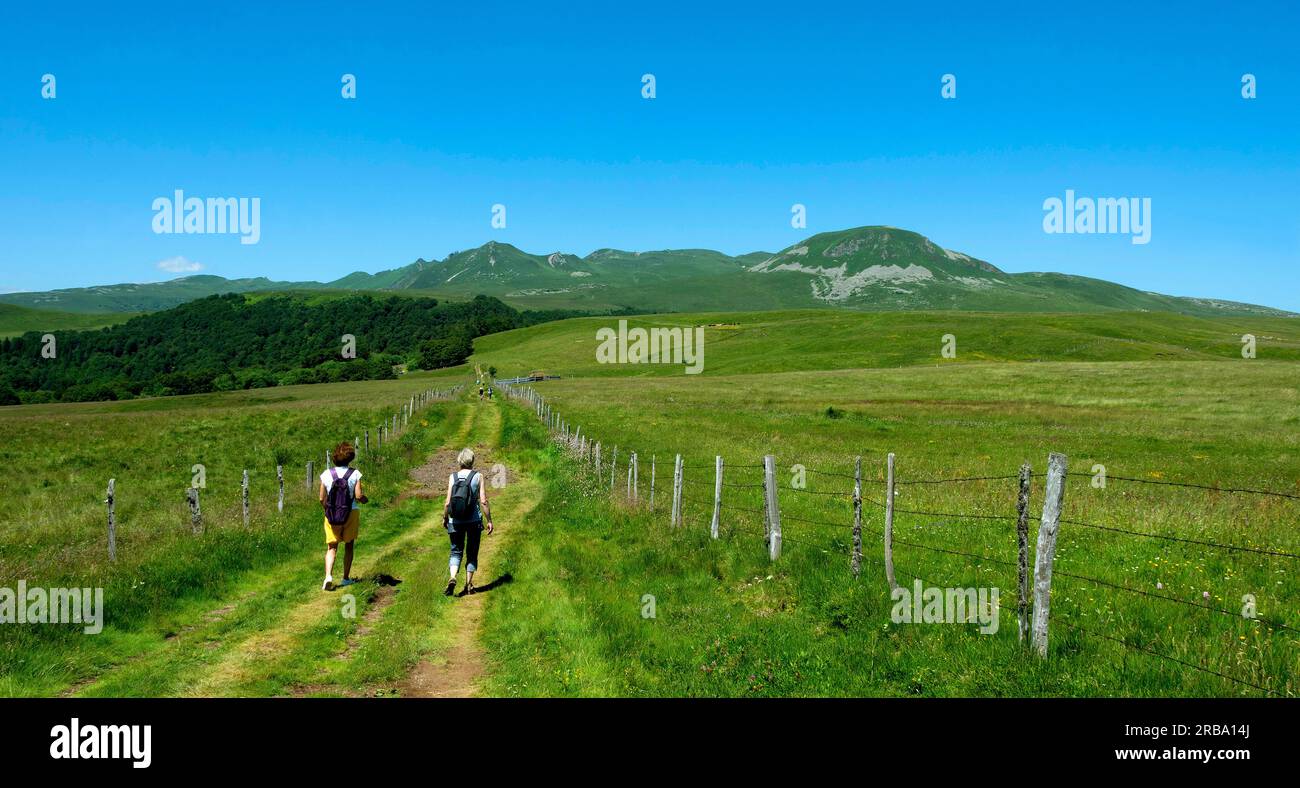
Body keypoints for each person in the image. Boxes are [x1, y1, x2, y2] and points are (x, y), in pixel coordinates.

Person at [442, 447, 494, 596]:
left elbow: (447, 503)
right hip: (473, 521)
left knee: (456, 550)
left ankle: (452, 577)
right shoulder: (478, 476)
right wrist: (489, 520)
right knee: (472, 552)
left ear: (460, 461)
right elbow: (483, 501)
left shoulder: (453, 477)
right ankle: (468, 584)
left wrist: (445, 518)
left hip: (455, 520)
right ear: (472, 460)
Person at [320, 441, 367, 591]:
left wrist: (328, 511)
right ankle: (346, 578)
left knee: (331, 547)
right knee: (349, 545)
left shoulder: (327, 474)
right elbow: (359, 496)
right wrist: (365, 499)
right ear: (350, 458)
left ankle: (328, 576)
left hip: (332, 515)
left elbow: (322, 498)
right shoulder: (355, 474)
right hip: (351, 512)